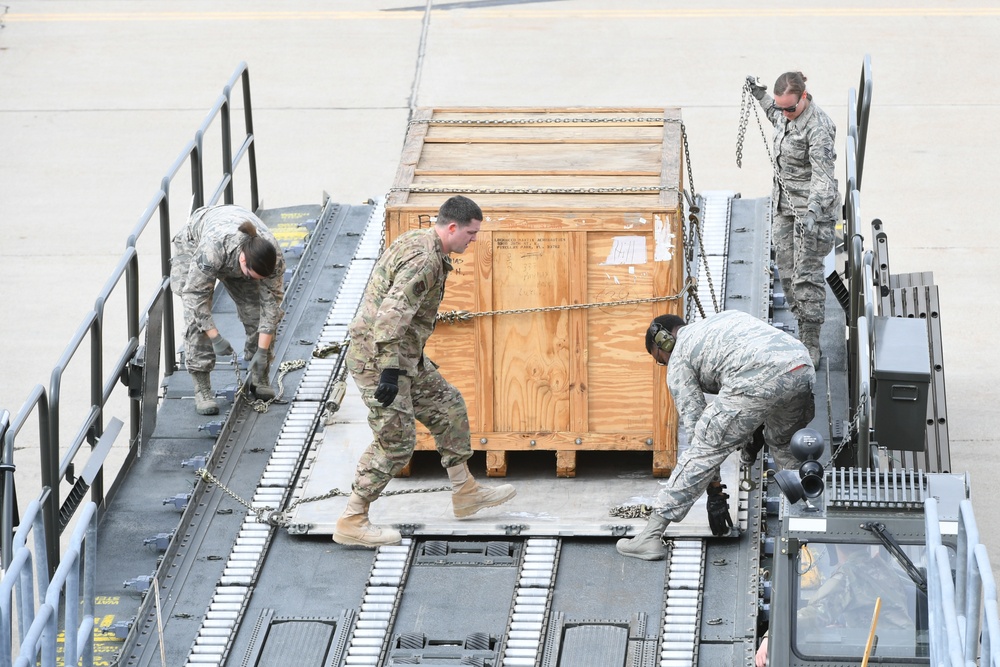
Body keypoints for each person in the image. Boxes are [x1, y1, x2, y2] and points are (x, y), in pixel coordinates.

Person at [333, 195, 516, 548]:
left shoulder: (417, 240)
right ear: (452, 228)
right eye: (471, 233)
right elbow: (391, 312)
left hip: (404, 356)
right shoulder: (426, 260)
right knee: (397, 443)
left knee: (447, 406)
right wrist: (388, 371)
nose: (473, 240)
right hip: (380, 359)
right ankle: (352, 519)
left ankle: (465, 492)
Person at [616, 310, 815, 560]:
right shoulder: (724, 319)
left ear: (663, 342)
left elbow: (698, 430)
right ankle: (807, 519)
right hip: (801, 365)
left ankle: (651, 536)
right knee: (786, 446)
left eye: (660, 360)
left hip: (758, 377)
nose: (664, 364)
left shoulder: (678, 356)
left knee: (703, 449)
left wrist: (715, 492)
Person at [746, 72, 841, 366]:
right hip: (784, 208)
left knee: (806, 278)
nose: (785, 113)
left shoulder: (818, 127)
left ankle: (811, 342)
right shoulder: (785, 115)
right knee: (787, 275)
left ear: (804, 96)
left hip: (813, 214)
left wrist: (813, 212)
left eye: (790, 108)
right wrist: (758, 93)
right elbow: (772, 112)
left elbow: (824, 177)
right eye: (782, 107)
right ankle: (801, 327)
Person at [170, 204, 285, 415]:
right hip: (194, 245)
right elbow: (195, 298)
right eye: (251, 276)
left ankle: (260, 374)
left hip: (237, 253)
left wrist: (261, 351)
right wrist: (215, 337)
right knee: (197, 319)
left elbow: (271, 306)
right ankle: (202, 387)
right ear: (243, 260)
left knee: (256, 310)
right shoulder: (212, 249)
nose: (252, 281)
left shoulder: (272, 256)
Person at [755, 543, 915, 666]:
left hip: (882, 650)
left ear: (834, 547)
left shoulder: (850, 573)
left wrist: (772, 636)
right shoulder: (881, 566)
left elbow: (816, 613)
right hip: (903, 647)